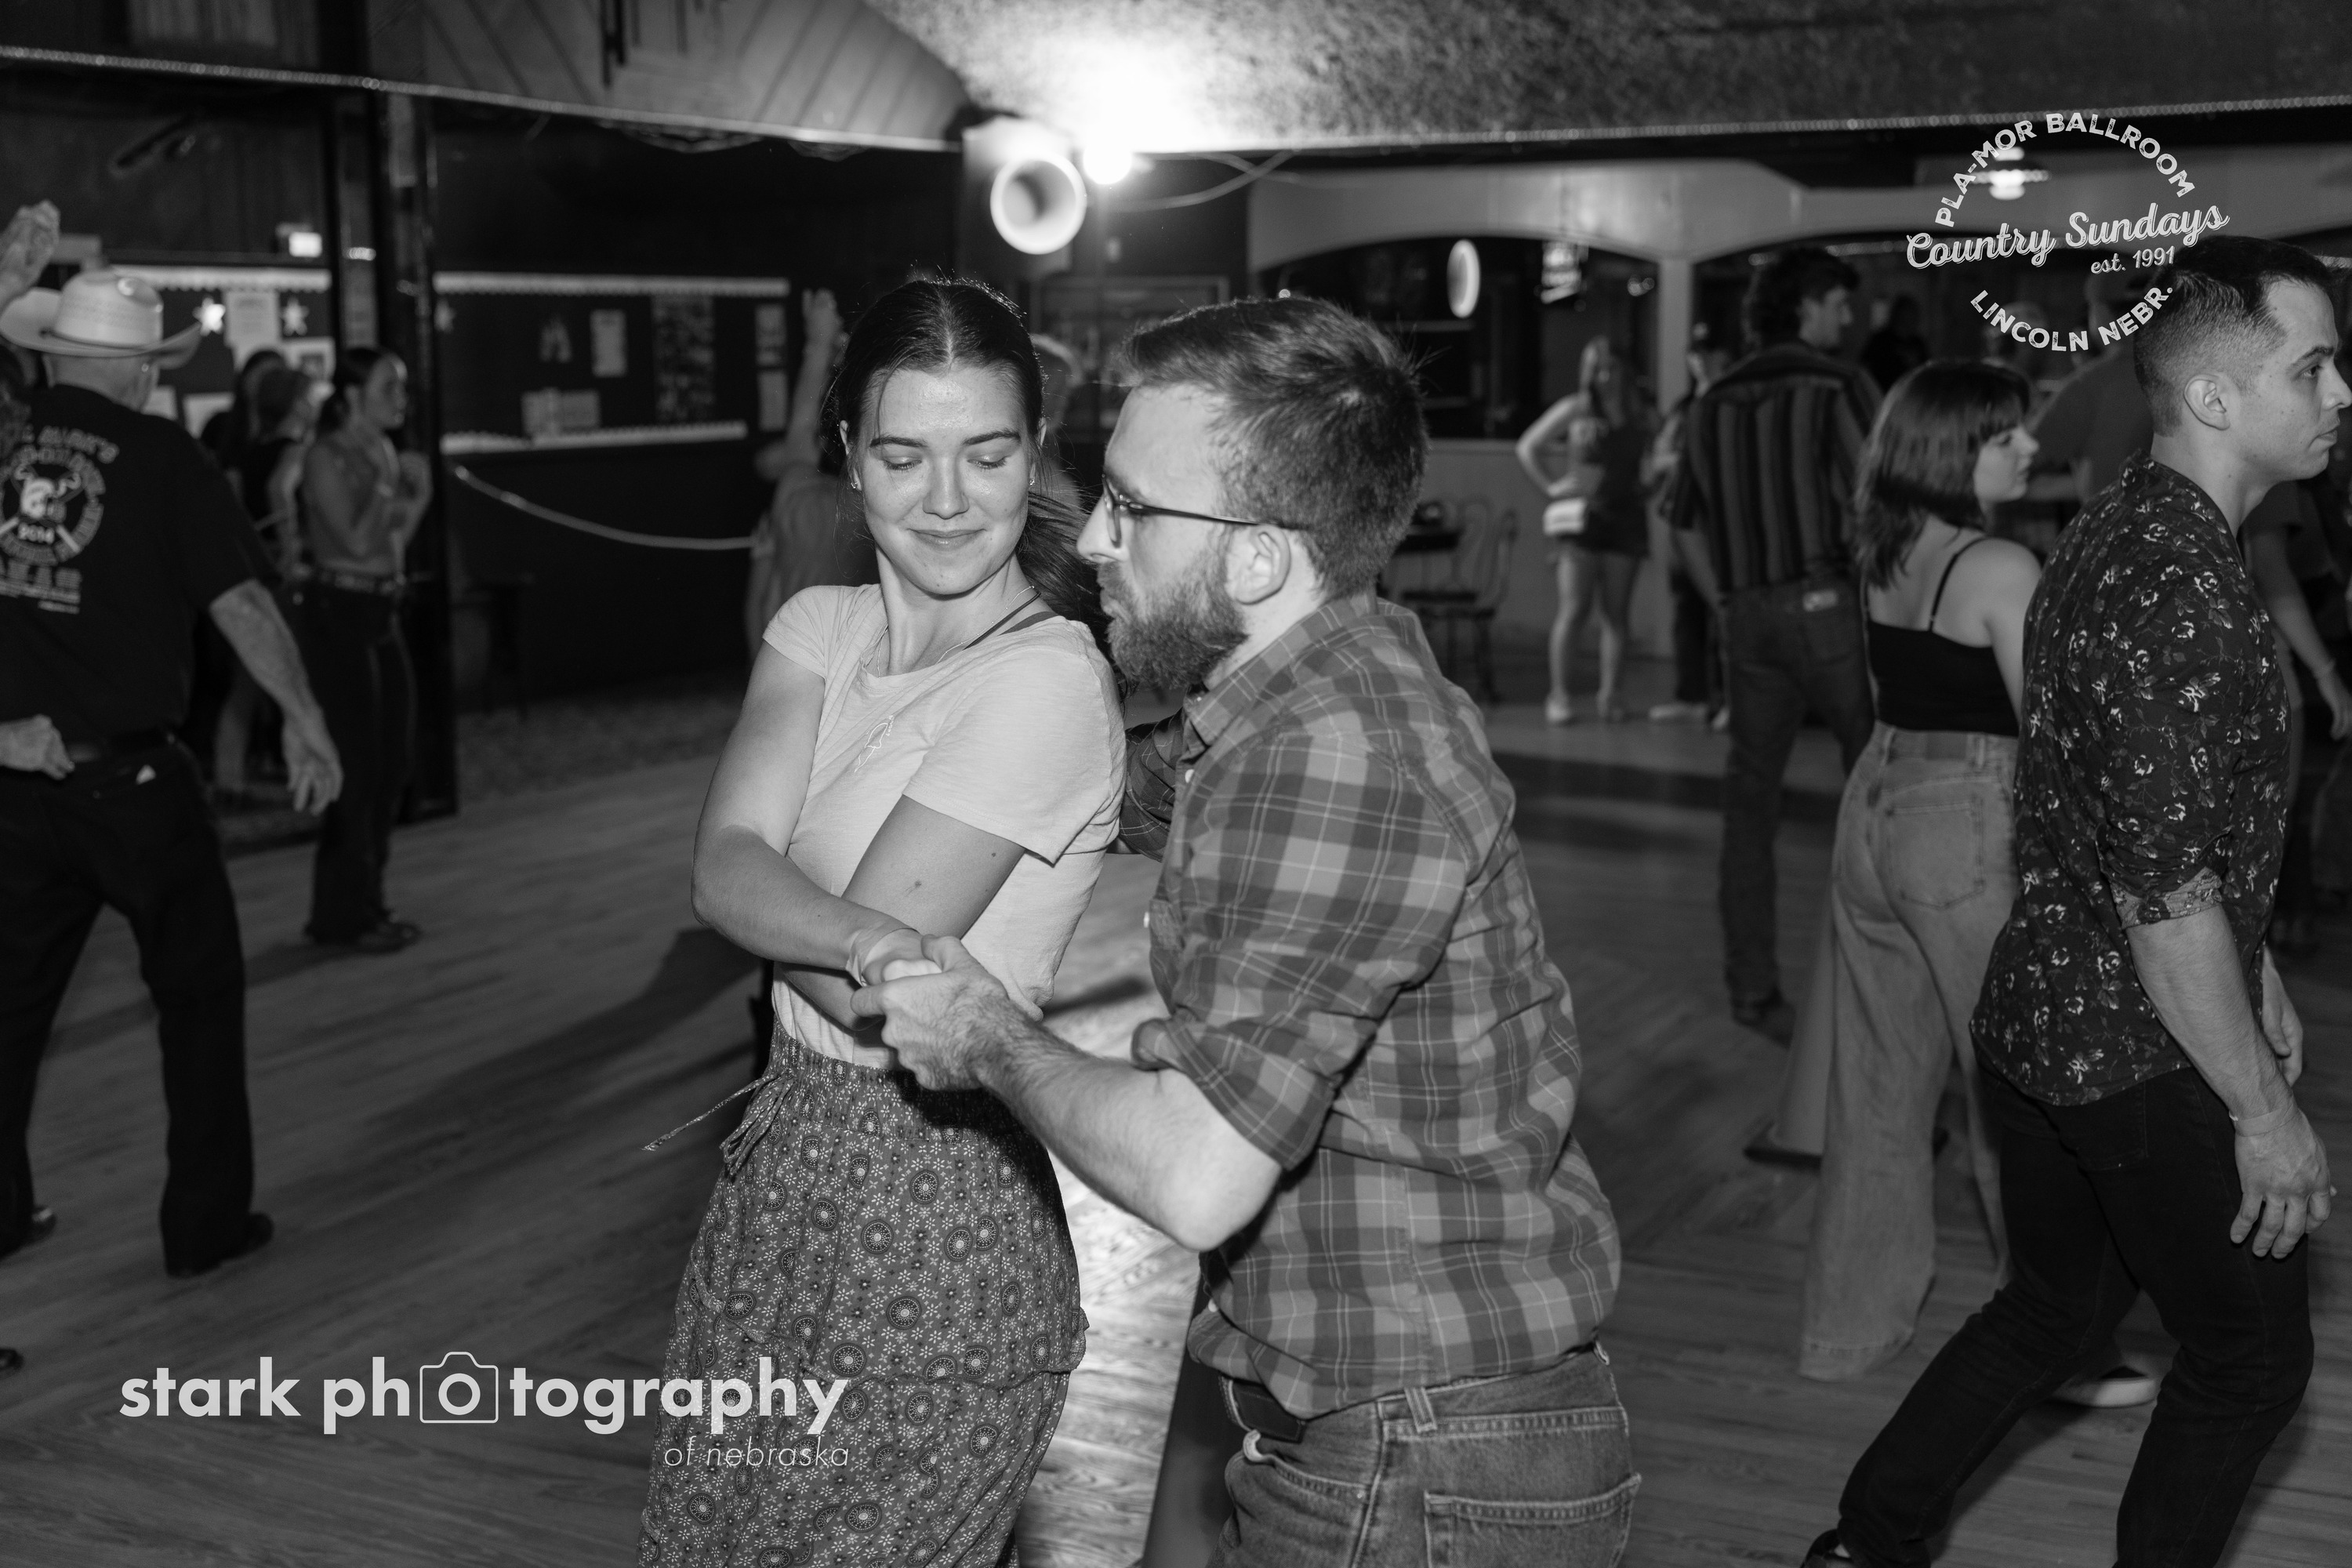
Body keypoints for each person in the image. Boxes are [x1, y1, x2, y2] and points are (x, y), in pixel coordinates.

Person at [853, 297, 1635, 1567]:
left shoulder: (1330, 753)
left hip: (1419, 1466)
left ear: (1262, 558)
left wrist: (985, 1032)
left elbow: (1196, 1176)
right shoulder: (1323, 677)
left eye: (1134, 509)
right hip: (1410, 1429)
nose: (1096, 538)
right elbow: (1155, 784)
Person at [1804, 235, 2343, 1568]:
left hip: (2042, 1017)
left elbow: (2141, 813)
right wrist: (2264, 1116)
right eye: (2314, 367)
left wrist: (2257, 962)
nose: (2342, 394)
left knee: (2049, 1312)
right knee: (2250, 1361)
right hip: (2135, 1048)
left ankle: (1866, 1542)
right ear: (2214, 396)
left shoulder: (2115, 521)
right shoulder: (2181, 586)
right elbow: (2163, 898)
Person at [637, 278, 1123, 1568]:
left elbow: (859, 986)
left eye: (988, 454)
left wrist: (813, 928)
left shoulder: (1044, 683)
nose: (948, 499)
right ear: (851, 456)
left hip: (938, 1218)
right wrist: (855, 937)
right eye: (905, 456)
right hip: (778, 1179)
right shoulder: (819, 627)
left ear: (1037, 454)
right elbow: (722, 875)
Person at [0, 256, 342, 1279]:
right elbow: (241, 603)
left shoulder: (5, 446)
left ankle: (2, 1215)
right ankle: (204, 1227)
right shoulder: (160, 456)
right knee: (197, 999)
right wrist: (305, 719)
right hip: (135, 787)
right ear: (143, 368)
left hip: (15, 782)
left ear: (53, 357)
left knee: (6, 1020)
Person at [1793, 362, 2042, 1378]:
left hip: (1874, 803)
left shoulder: (1888, 549)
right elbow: (2049, 737)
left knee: (1878, 1090)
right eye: (2006, 436)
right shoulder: (1999, 565)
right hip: (1964, 823)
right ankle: (2057, 1337)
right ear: (1952, 452)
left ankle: (1846, 1333)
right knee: (2018, 1089)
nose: (2030, 447)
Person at [1671, 247, 1880, 1036]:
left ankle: (1753, 989)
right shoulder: (1837, 385)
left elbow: (1680, 522)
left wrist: (1726, 601)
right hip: (1828, 605)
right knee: (1876, 794)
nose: (1846, 318)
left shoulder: (1712, 400)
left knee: (1750, 807)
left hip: (1749, 618)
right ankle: (1876, 988)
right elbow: (1875, 504)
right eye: (1837, 303)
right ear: (1806, 306)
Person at [292, 347, 430, 953]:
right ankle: (341, 916)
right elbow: (351, 539)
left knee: (392, 764)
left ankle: (367, 902)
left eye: (401, 387)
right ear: (352, 395)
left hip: (381, 610)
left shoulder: (381, 451)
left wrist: (415, 500)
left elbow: (390, 539)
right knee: (356, 769)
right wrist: (388, 484)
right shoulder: (325, 456)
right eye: (388, 387)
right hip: (339, 614)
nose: (401, 399)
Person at [1517, 336, 1652, 723]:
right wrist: (1552, 486)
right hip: (1581, 522)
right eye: (1597, 369)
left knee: (1616, 614)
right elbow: (1528, 446)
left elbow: (1656, 460)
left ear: (1624, 371)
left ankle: (1612, 694)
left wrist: (1653, 481)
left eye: (1611, 368)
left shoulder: (1640, 413)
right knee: (1574, 609)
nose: (1604, 377)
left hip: (1625, 519)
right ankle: (1559, 695)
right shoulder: (1576, 409)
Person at [743, 286, 877, 654]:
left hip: (788, 663)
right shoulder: (868, 508)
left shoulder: (797, 496)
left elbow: (756, 607)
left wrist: (819, 343)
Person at [212, 364, 315, 798]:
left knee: (249, 677)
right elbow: (279, 489)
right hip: (281, 571)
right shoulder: (296, 450)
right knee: (290, 673)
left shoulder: (250, 450)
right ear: (296, 404)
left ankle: (228, 773)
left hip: (252, 567)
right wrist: (291, 550)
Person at [1647, 325, 1733, 724]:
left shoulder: (1731, 403)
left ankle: (1727, 699)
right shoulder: (1684, 408)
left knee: (1723, 609)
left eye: (1708, 352)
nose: (1700, 360)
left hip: (1721, 524)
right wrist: (1683, 459)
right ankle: (1693, 694)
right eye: (1695, 352)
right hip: (1683, 520)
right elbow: (1657, 460)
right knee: (1687, 609)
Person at [2030, 269, 2161, 507]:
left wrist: (2093, 485)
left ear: (2100, 314)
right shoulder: (2189, 374)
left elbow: (2024, 459)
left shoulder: (2091, 385)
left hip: (2115, 523)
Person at [1860, 296, 1929, 396]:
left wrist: (1914, 364)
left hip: (1910, 396)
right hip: (1883, 395)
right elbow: (1865, 368)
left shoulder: (1918, 343)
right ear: (1898, 315)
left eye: (1914, 314)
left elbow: (1927, 371)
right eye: (1907, 313)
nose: (1911, 318)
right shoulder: (1881, 340)